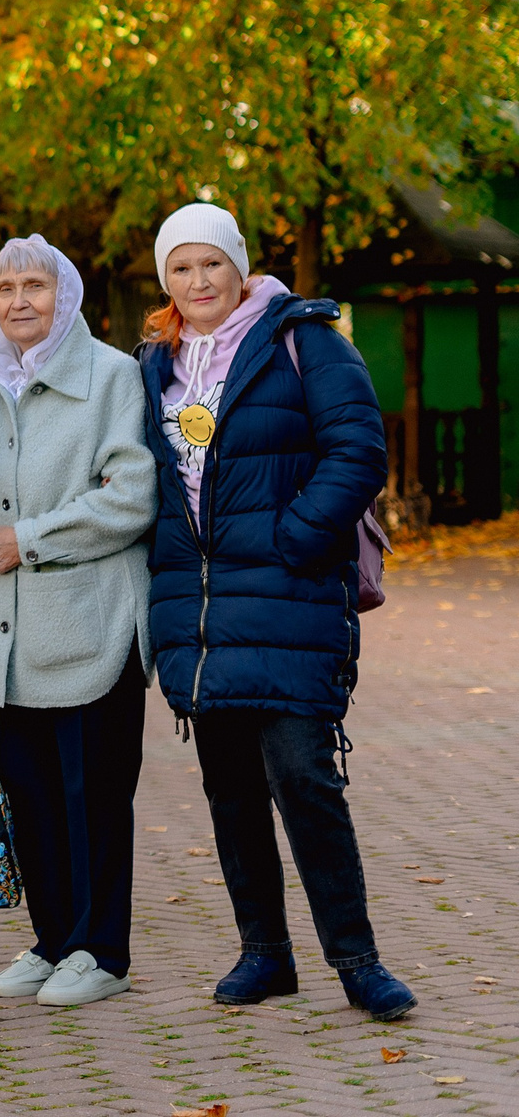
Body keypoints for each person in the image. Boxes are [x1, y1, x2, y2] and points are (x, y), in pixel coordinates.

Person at [139, 203, 411, 1020]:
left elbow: (359, 448)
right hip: (202, 612)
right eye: (181, 269)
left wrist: (296, 536)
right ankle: (265, 953)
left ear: (239, 267)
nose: (197, 282)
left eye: (211, 265)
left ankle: (358, 962)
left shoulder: (306, 339)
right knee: (228, 790)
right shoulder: (157, 362)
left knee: (304, 777)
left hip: (289, 598)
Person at [0, 236, 158, 1008]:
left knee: (95, 800)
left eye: (35, 287)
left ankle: (101, 950)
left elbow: (130, 496)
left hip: (91, 626)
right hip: (9, 632)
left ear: (64, 296)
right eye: (4, 288)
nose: (18, 302)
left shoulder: (111, 375)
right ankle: (52, 942)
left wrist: (31, 540)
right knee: (33, 797)